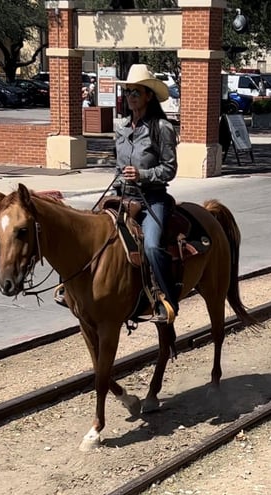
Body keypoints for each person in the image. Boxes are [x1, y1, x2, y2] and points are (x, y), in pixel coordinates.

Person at [114, 64, 179, 323]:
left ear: (149, 96)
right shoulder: (120, 128)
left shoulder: (161, 127)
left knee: (152, 246)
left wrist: (143, 175)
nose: (130, 97)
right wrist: (120, 177)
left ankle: (166, 300)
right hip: (121, 197)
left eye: (136, 92)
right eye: (128, 92)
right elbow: (116, 164)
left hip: (152, 199)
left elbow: (170, 169)